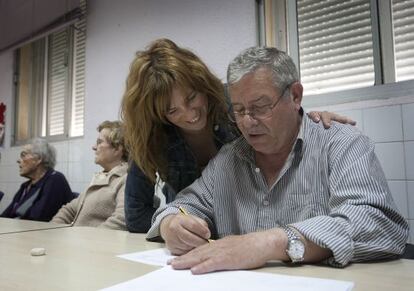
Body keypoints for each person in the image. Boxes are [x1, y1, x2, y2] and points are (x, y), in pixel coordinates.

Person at [147, 46, 409, 274]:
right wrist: (172, 223)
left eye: (260, 107)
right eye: (238, 110)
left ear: (295, 96)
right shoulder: (229, 159)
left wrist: (271, 243)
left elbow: (379, 224)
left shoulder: (341, 143)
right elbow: (183, 205)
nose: (247, 122)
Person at [121, 38, 355, 233]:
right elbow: (152, 211)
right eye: (172, 111)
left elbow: (282, 118)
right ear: (158, 115)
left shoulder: (234, 103)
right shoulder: (152, 137)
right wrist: (171, 225)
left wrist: (307, 119)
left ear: (202, 84)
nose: (189, 114)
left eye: (191, 98)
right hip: (202, 234)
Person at [52, 121, 128, 230]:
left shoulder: (126, 179)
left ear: (117, 148)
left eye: (99, 142)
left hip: (94, 244)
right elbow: (68, 210)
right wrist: (52, 231)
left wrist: (83, 240)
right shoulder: (102, 177)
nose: (93, 147)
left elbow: (121, 220)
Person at [1, 138, 73, 221]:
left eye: (23, 155)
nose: (18, 160)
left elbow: (38, 218)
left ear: (38, 159)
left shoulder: (56, 179)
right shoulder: (25, 186)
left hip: (39, 232)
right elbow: (6, 215)